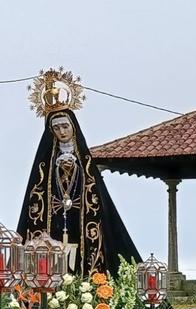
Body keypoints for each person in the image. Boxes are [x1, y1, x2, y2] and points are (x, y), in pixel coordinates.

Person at [17, 70, 140, 277]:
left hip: (81, 222)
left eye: (65, 126)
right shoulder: (44, 165)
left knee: (85, 263)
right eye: (56, 129)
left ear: (73, 127)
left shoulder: (85, 162)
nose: (62, 132)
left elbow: (95, 195)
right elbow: (36, 197)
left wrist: (74, 169)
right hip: (52, 225)